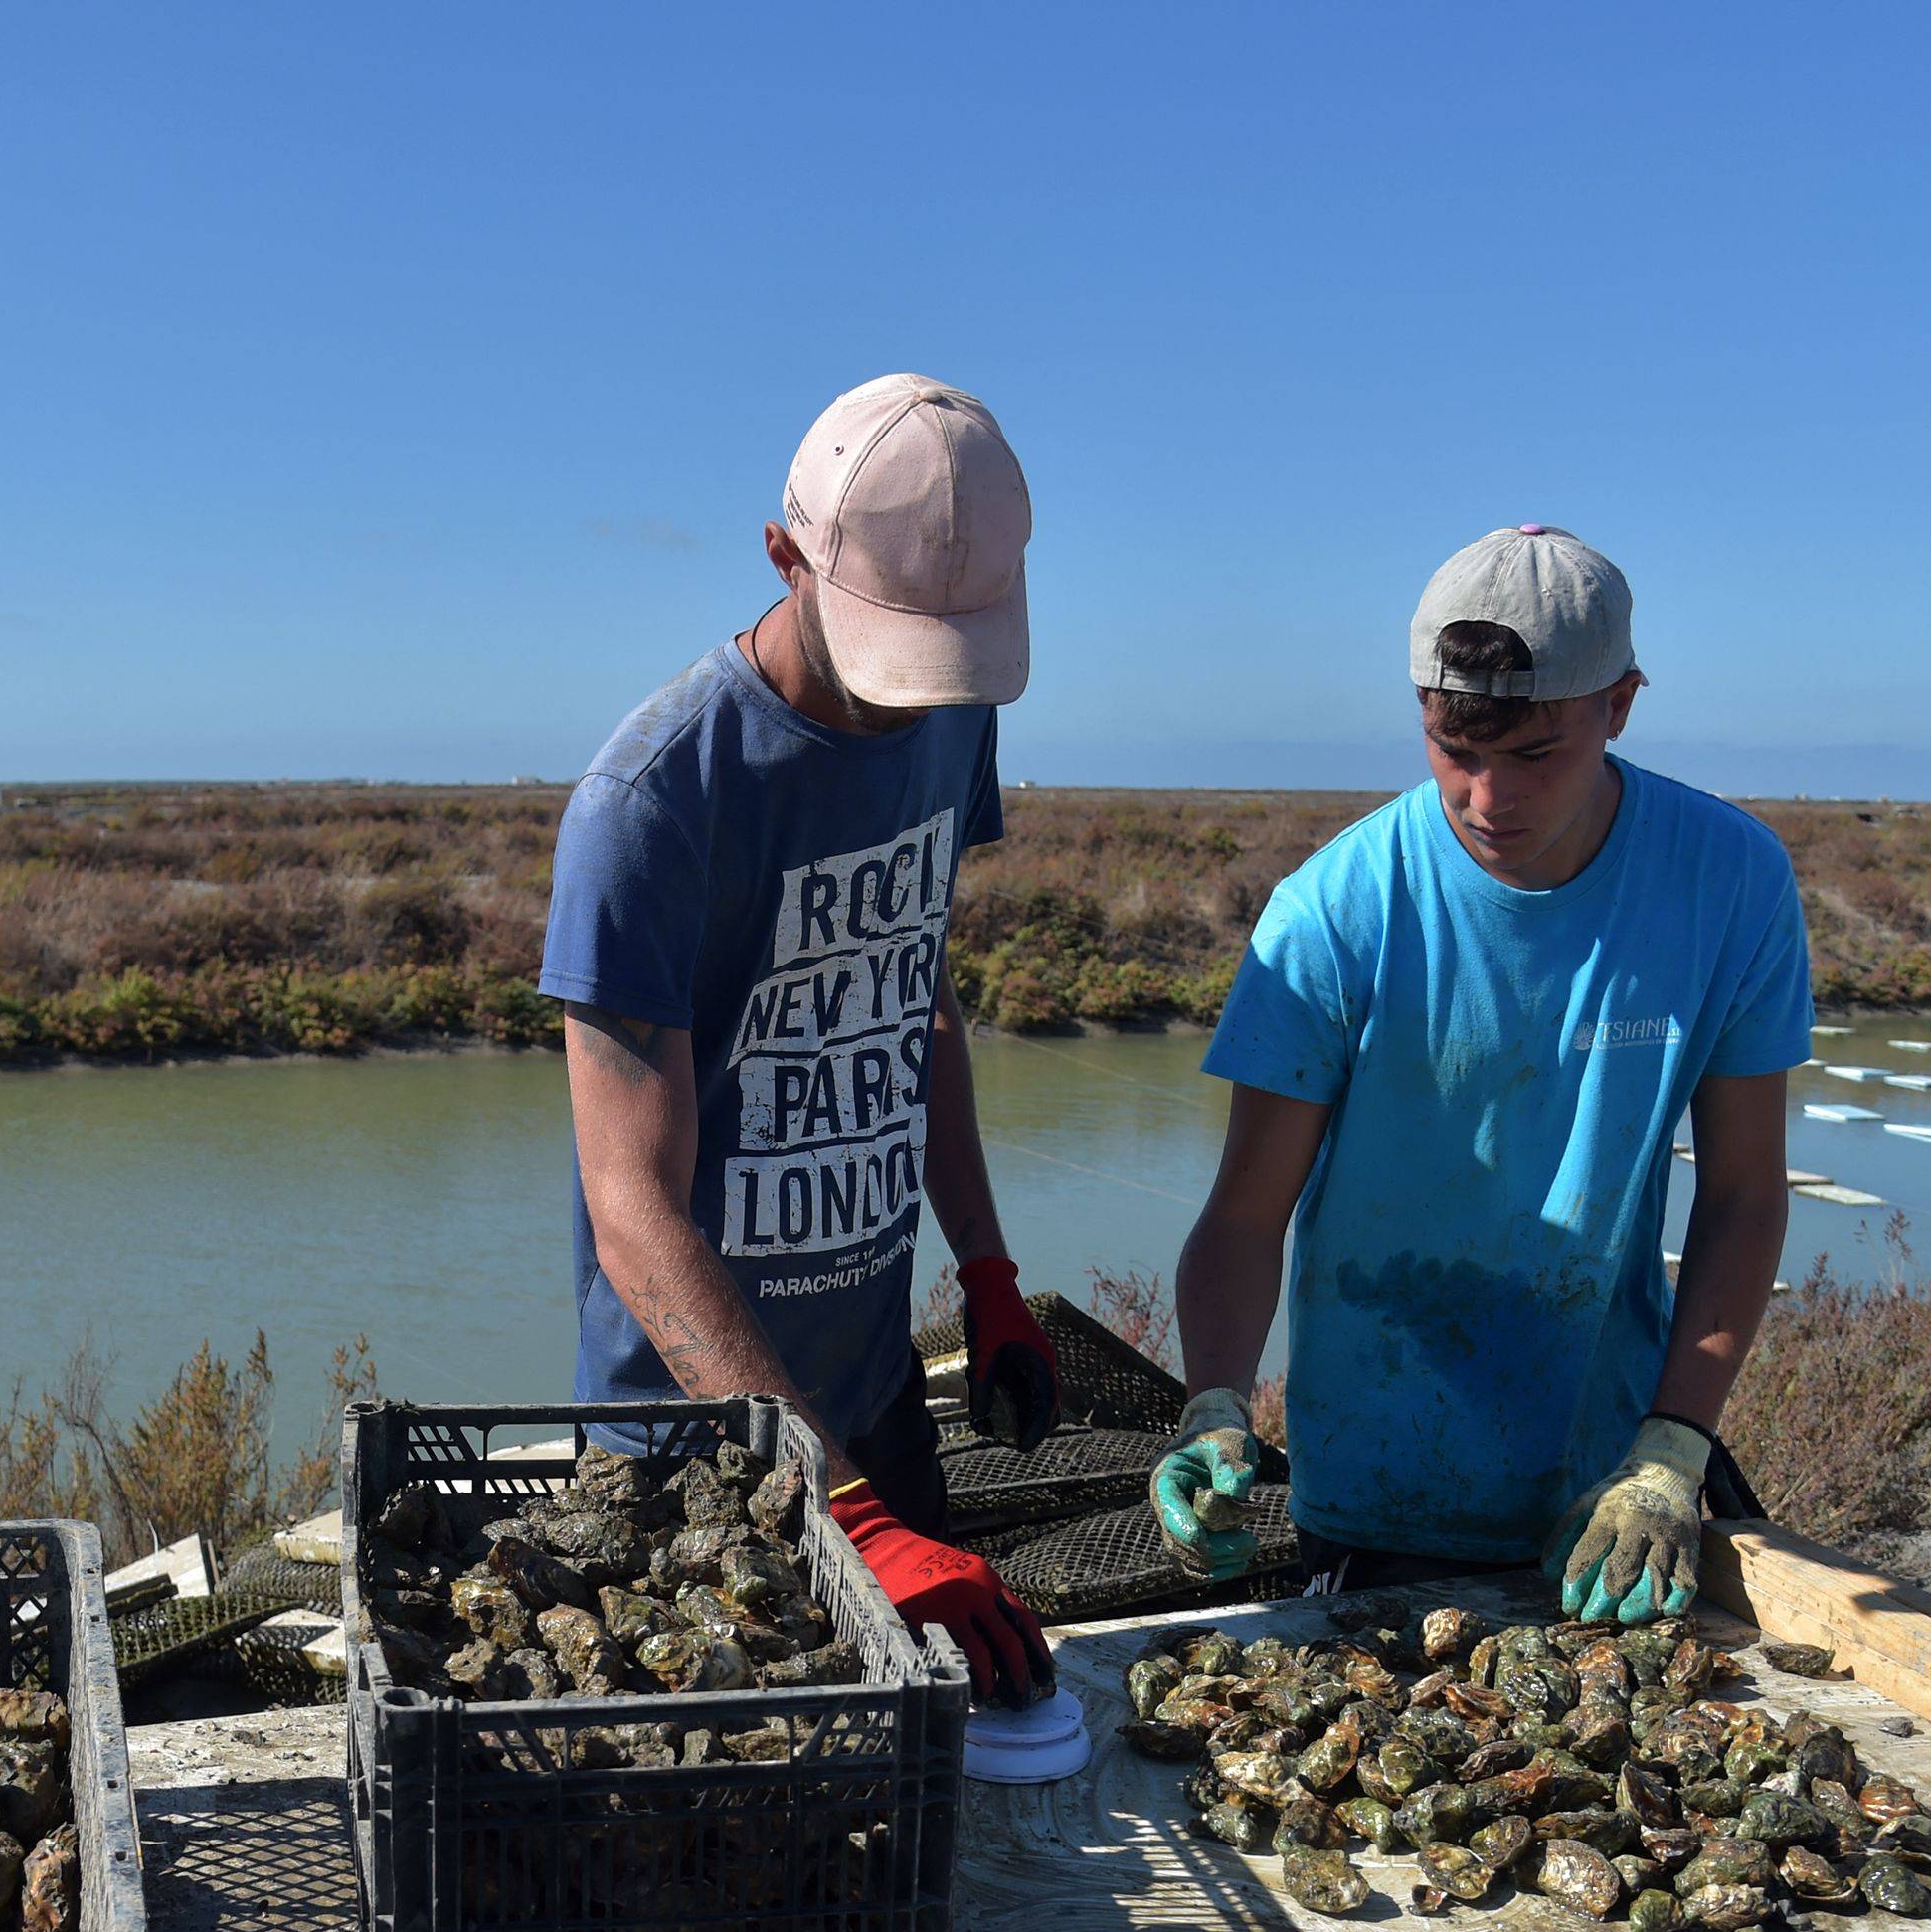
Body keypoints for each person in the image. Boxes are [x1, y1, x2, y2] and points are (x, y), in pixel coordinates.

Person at [1149, 526, 1811, 1621]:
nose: (1487, 797)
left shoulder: (1729, 883)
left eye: (1535, 754)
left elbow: (1745, 1193)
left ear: (1621, 704)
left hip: (1611, 1476)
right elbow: (1242, 1215)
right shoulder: (1334, 913)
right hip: (1372, 1486)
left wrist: (1673, 1447)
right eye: (1453, 747)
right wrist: (1214, 1400)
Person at [539, 374, 1061, 1703]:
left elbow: (913, 993)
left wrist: (988, 1270)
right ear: (785, 557)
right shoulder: (651, 804)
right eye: (895, 652)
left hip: (876, 1395)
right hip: (693, 1446)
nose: (913, 702)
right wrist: (841, 1516)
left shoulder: (952, 708)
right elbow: (632, 1212)